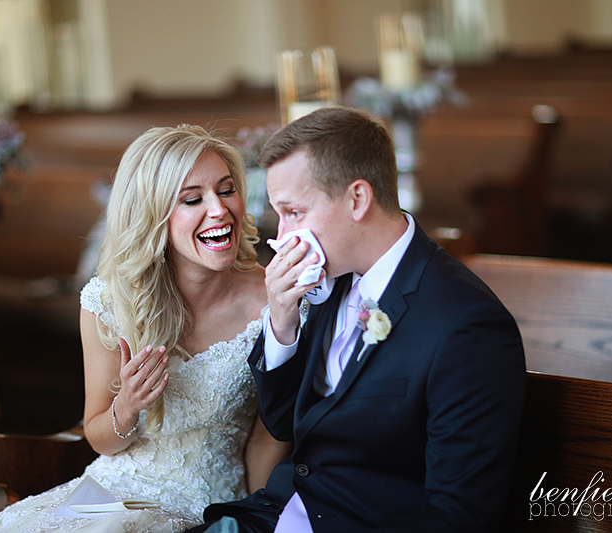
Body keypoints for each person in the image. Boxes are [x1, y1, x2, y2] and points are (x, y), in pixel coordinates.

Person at [187, 106, 527, 533]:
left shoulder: (467, 326)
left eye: (294, 212)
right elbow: (283, 423)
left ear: (358, 199)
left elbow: (458, 513)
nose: (283, 237)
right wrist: (282, 321)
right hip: (275, 514)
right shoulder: (330, 276)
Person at [0, 124, 292, 533]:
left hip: (205, 510)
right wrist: (127, 405)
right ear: (152, 215)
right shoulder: (109, 302)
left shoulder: (274, 299)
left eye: (227, 190)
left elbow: (270, 438)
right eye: (192, 199)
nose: (219, 210)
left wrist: (258, 517)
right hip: (108, 493)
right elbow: (99, 438)